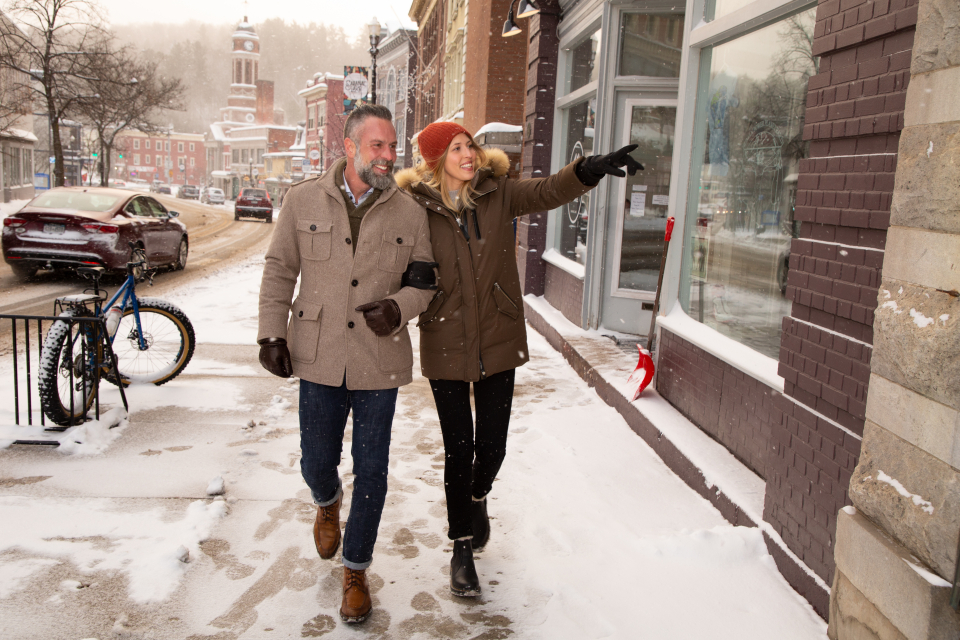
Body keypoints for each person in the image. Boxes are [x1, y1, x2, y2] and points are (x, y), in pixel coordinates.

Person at [396, 122, 642, 597]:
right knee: (456, 450)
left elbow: (548, 191)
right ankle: (461, 547)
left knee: (492, 447)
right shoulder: (414, 210)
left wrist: (587, 169)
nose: (470, 154)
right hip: (445, 337)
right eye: (457, 149)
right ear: (434, 160)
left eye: (471, 145)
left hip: (498, 334)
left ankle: (478, 494)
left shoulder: (498, 193)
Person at [257, 104, 437, 624]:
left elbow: (424, 280)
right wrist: (271, 333)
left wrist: (399, 308)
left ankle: (356, 569)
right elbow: (279, 269)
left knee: (374, 470)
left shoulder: (409, 210)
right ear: (350, 147)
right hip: (316, 355)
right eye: (377, 145)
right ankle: (327, 500)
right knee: (316, 459)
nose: (387, 155)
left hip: (379, 359)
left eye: (392, 146)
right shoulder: (302, 199)